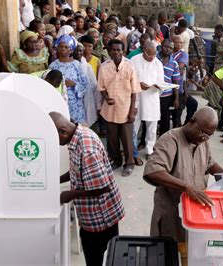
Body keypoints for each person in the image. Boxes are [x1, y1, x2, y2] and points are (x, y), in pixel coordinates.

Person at [143, 107, 223, 242]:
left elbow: (210, 164)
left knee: (192, 250)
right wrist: (186, 187)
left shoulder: (202, 142)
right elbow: (153, 171)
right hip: (172, 213)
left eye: (209, 136)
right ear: (192, 121)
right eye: (203, 133)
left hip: (195, 213)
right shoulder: (170, 140)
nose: (204, 138)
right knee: (171, 251)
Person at [50, 111, 125, 266]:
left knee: (100, 259)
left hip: (101, 218)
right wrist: (55, 181)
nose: (56, 143)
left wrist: (69, 195)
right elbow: (77, 171)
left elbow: (102, 187)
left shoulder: (86, 148)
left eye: (55, 139)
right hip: (92, 217)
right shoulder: (77, 136)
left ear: (62, 132)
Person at [98, 39, 141, 177]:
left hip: (125, 108)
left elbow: (134, 91)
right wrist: (105, 97)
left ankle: (129, 164)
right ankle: (116, 161)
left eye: (119, 50)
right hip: (109, 109)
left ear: (123, 51)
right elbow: (101, 87)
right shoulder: (104, 67)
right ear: (109, 51)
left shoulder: (130, 67)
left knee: (127, 139)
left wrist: (132, 110)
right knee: (112, 139)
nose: (116, 52)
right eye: (114, 50)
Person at [130, 41, 164, 159]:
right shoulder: (134, 60)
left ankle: (150, 149)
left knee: (152, 127)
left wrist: (159, 87)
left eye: (154, 55)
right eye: (149, 55)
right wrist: (139, 84)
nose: (152, 57)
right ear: (144, 51)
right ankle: (132, 150)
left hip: (152, 98)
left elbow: (161, 82)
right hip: (137, 97)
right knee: (134, 124)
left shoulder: (157, 64)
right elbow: (128, 79)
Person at [49, 35, 89, 124]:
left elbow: (85, 83)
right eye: (61, 46)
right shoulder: (53, 65)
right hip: (59, 100)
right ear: (57, 48)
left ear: (71, 49)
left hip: (75, 104)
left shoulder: (77, 65)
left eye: (66, 47)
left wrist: (74, 84)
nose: (63, 49)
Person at [73, 43, 101, 128]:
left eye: (80, 50)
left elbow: (94, 84)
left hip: (86, 96)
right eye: (76, 50)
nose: (78, 53)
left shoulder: (87, 66)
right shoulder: (70, 64)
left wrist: (97, 103)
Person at [157, 39, 181, 136]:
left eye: (170, 48)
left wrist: (176, 99)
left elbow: (175, 81)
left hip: (166, 95)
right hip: (153, 93)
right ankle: (144, 141)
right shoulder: (154, 58)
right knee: (150, 119)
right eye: (166, 46)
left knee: (165, 119)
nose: (168, 49)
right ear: (161, 45)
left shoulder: (174, 63)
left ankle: (162, 141)